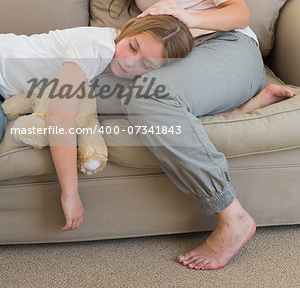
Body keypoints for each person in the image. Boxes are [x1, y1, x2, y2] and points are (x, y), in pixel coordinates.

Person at [66, 0, 295, 270]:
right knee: (88, 91)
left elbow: (239, 13)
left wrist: (189, 18)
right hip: (179, 62)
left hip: (227, 47)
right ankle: (239, 109)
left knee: (148, 99)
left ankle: (232, 216)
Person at [0, 14, 194, 225]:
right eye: (133, 47)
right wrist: (70, 193)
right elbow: (59, 117)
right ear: (130, 29)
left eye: (145, 64)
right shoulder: (96, 47)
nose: (129, 62)